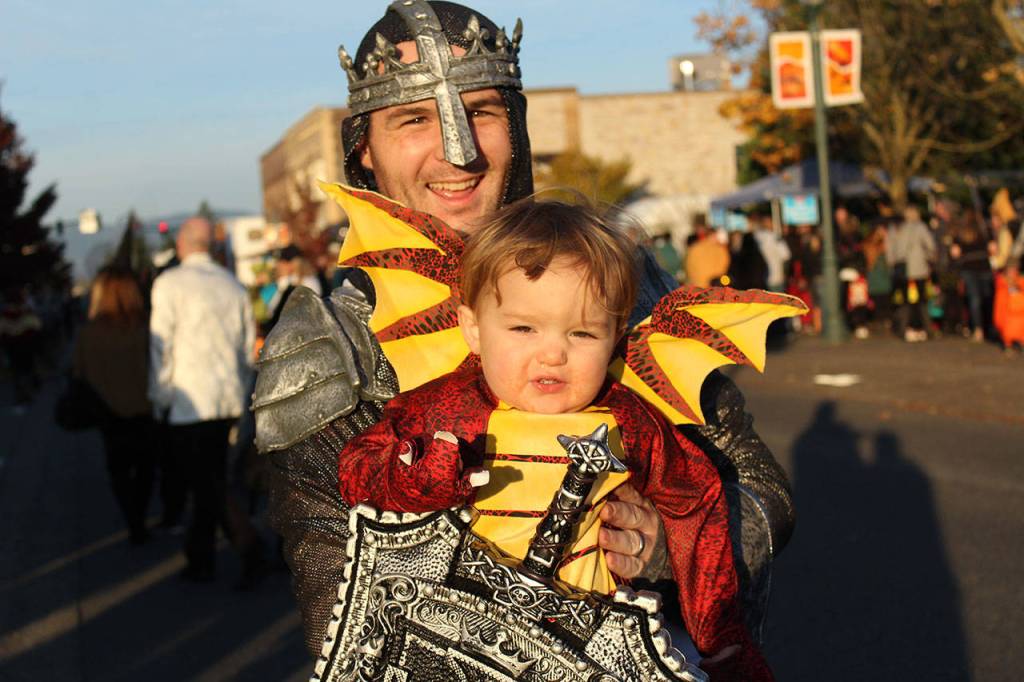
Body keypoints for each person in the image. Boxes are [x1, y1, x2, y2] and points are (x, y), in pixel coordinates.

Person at [256, 0, 794, 655]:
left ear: (516, 126)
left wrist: (672, 545)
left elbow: (761, 491)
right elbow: (343, 620)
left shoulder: (622, 282)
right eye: (414, 119)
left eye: (482, 111)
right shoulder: (328, 349)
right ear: (363, 148)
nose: (459, 151)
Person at [337, 199, 773, 678]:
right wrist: (421, 479)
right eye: (523, 328)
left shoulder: (629, 418)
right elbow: (358, 469)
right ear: (473, 329)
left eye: (583, 333)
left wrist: (719, 636)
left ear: (616, 334)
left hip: (589, 649)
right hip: (456, 641)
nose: (552, 354)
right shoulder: (448, 406)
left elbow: (697, 501)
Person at [149, 218, 256, 582]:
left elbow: (160, 346)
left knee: (203, 483)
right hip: (226, 398)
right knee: (211, 479)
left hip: (187, 400)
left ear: (182, 244)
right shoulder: (233, 287)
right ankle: (210, 553)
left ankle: (240, 549)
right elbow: (246, 353)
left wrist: (159, 396)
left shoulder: (169, 285)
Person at [73, 267, 154, 544]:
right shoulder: (144, 327)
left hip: (107, 412)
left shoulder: (88, 333)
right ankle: (140, 515)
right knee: (145, 468)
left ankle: (134, 522)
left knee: (118, 470)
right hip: (144, 409)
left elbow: (78, 373)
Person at [887, 205, 936, 342]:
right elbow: (930, 246)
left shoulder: (896, 229)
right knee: (920, 301)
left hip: (902, 270)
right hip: (918, 269)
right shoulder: (919, 227)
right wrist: (929, 259)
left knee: (906, 301)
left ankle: (905, 328)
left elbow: (891, 251)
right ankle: (924, 328)